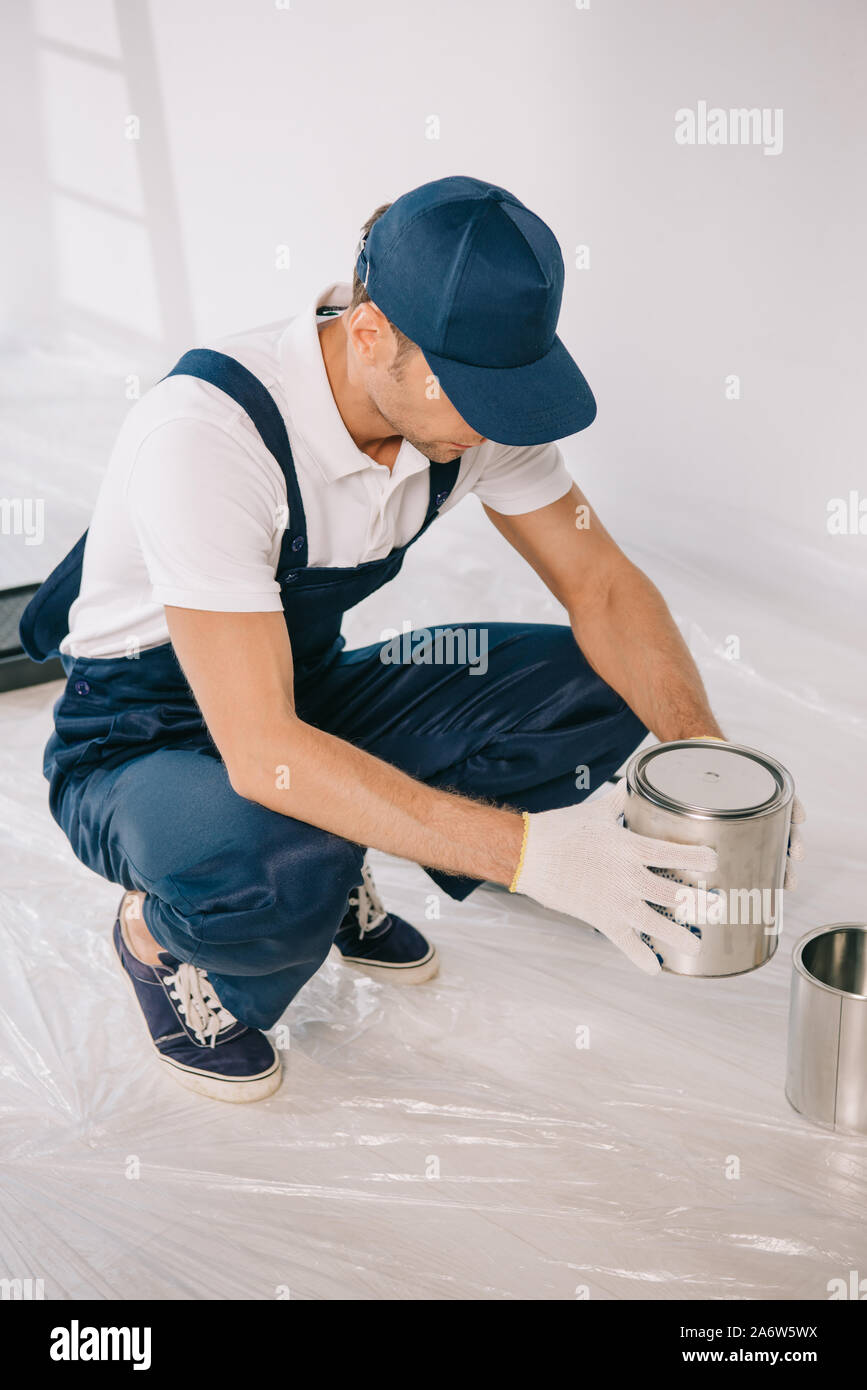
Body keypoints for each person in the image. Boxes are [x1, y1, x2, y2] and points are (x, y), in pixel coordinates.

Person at [20, 175, 803, 1103]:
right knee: (277, 863)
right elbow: (263, 750)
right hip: (141, 743)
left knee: (592, 688)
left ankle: (338, 837)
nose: (494, 423)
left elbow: (601, 584)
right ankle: (163, 937)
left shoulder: (469, 412)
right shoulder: (208, 435)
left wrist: (697, 753)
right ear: (370, 335)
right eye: (473, 393)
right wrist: (534, 855)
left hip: (299, 695)